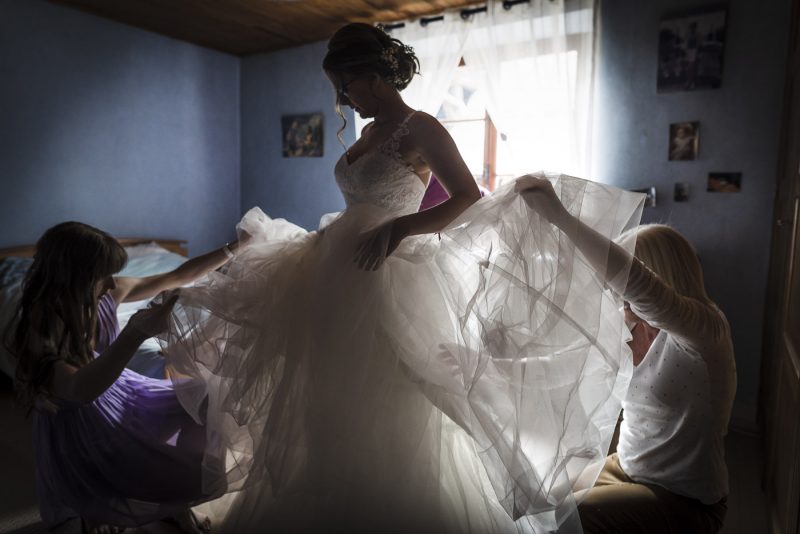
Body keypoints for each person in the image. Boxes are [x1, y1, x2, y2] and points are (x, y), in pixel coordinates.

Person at [159, 23, 644, 533]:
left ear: (373, 76)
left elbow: (466, 197)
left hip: (385, 276)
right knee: (324, 397)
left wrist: (401, 228)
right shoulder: (368, 134)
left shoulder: (421, 128)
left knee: (387, 397)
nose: (342, 99)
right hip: (335, 270)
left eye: (345, 86)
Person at [516, 176, 736, 533]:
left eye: (621, 285)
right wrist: (487, 365)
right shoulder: (629, 325)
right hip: (627, 467)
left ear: (660, 278)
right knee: (540, 503)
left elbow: (644, 290)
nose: (614, 295)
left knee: (563, 522)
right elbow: (570, 364)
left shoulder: (707, 331)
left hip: (683, 498)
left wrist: (561, 217)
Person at [9, 221, 248, 534]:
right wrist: (135, 333)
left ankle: (174, 502)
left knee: (205, 399)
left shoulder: (107, 295)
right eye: (103, 275)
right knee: (128, 462)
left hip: (119, 389)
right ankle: (101, 507)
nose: (111, 283)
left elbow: (177, 276)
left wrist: (235, 247)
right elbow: (80, 391)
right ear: (75, 276)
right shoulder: (41, 329)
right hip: (78, 418)